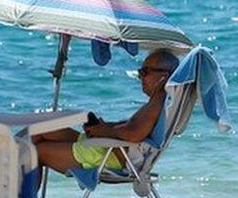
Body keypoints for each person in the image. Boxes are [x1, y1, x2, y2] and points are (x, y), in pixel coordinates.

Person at [33, 49, 180, 173]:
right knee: (38, 130)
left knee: (35, 152)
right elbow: (133, 129)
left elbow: (132, 134)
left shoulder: (157, 105)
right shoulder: (158, 103)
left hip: (111, 156)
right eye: (140, 72)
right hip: (108, 147)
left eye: (145, 72)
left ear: (163, 77)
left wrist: (104, 131)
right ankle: (19, 193)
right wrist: (103, 128)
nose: (141, 76)